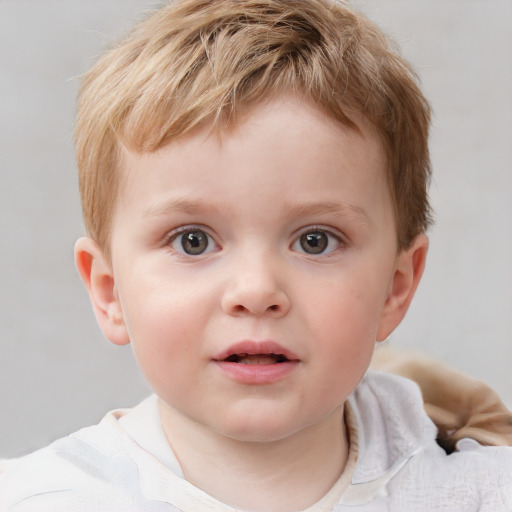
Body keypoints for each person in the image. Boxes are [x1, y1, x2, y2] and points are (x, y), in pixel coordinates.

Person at [1, 0, 511, 510]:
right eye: (192, 241)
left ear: (396, 287)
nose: (256, 290)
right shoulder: (47, 499)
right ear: (109, 292)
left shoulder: (480, 492)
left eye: (316, 240)